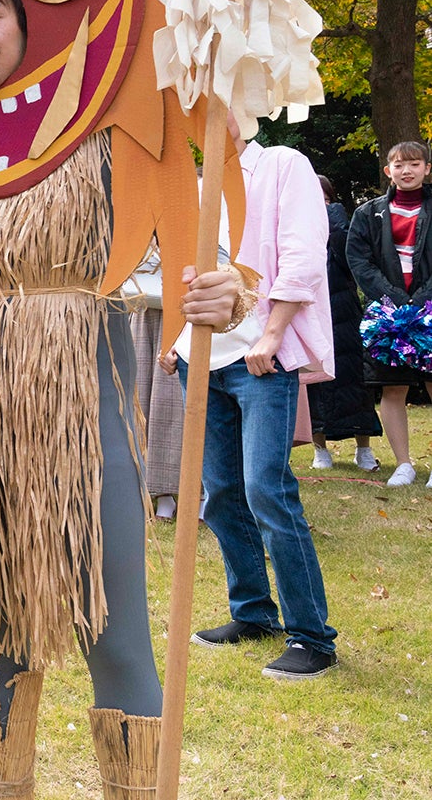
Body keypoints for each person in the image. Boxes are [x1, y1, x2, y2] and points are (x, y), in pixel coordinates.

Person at [0, 0, 242, 795]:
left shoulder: (101, 129)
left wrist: (224, 286)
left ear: (29, 24)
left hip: (84, 391)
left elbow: (196, 240)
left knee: (114, 629)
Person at [170, 115, 337, 680]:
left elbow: (303, 257)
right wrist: (176, 341)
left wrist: (271, 333)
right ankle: (252, 612)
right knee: (219, 494)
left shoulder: (283, 165)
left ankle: (312, 637)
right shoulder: (192, 185)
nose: (213, 119)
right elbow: (189, 273)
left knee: (267, 489)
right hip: (202, 361)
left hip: (259, 359)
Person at [346, 141, 432, 487]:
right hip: (387, 315)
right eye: (399, 165)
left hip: (429, 309)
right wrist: (394, 297)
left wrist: (423, 298)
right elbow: (358, 259)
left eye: (414, 164)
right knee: (392, 389)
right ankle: (403, 464)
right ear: (388, 170)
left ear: (427, 169)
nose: (406, 171)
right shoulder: (368, 213)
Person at [308, 176, 381, 469]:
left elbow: (349, 256)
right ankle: (319, 449)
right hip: (308, 312)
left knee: (354, 379)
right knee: (313, 380)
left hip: (344, 312)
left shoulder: (340, 223)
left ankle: (363, 447)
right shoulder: (295, 223)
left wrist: (331, 214)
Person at [129, 243, 188, 520]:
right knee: (142, 398)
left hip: (185, 307)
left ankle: (197, 494)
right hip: (144, 306)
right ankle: (159, 494)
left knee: (175, 402)